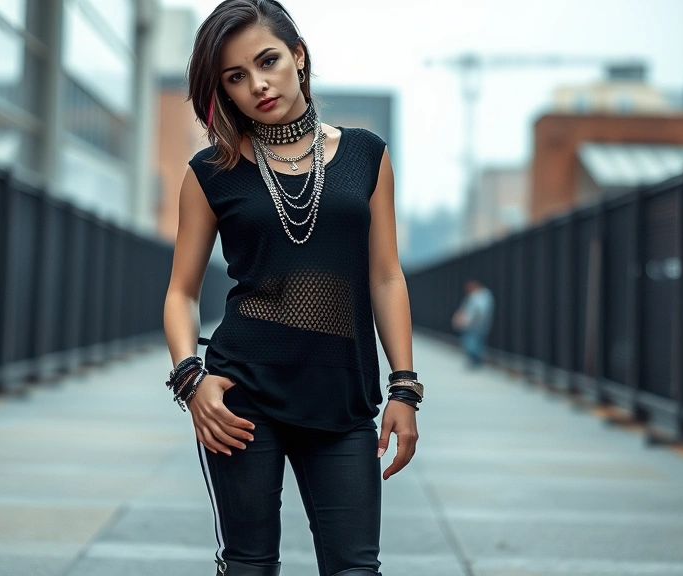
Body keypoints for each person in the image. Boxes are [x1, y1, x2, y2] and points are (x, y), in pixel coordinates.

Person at [162, 2, 422, 575]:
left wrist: (404, 388)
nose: (257, 84)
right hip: (241, 398)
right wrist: (191, 380)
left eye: (268, 61)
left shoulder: (365, 156)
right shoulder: (210, 173)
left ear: (298, 57)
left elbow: (386, 276)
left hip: (343, 399)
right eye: (235, 76)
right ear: (223, 91)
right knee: (250, 565)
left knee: (355, 568)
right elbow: (180, 292)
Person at [451, 280, 494, 368]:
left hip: (475, 324)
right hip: (474, 324)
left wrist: (466, 319)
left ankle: (475, 361)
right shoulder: (478, 296)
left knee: (472, 343)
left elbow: (478, 311)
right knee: (475, 342)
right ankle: (475, 360)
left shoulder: (481, 296)